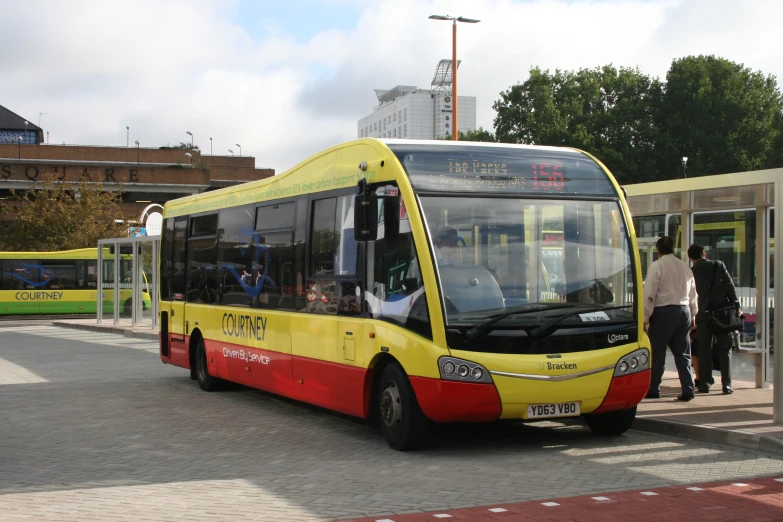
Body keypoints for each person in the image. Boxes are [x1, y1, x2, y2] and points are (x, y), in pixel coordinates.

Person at [644, 236, 698, 401]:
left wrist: (645, 318)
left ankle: (653, 389)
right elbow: (693, 294)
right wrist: (693, 314)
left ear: (658, 250)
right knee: (683, 353)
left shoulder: (657, 266)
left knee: (657, 353)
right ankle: (688, 389)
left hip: (663, 313)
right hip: (684, 311)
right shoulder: (684, 267)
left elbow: (650, 294)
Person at [688, 244, 740, 394]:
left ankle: (704, 384)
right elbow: (729, 286)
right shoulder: (718, 265)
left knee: (704, 350)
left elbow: (691, 295)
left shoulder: (691, 271)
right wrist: (736, 305)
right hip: (721, 314)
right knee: (725, 349)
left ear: (691, 258)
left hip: (702, 316)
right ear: (704, 253)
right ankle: (727, 385)